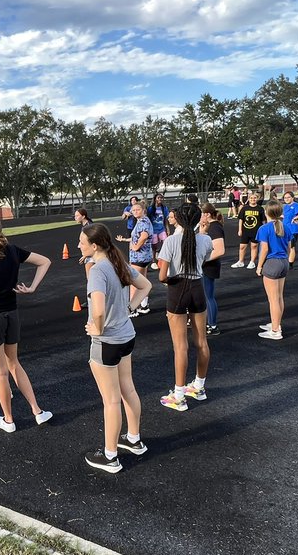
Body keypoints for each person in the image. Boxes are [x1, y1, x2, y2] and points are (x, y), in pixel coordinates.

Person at [0, 214, 53, 433]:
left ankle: (8, 420)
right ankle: (37, 411)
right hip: (12, 315)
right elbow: (45, 261)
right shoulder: (12, 251)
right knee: (14, 364)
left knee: (1, 372)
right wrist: (32, 287)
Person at [78, 223, 152, 473]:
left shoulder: (98, 271)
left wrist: (97, 328)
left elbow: (97, 310)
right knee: (127, 389)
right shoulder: (117, 262)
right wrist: (129, 309)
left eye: (82, 242)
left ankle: (110, 456)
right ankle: (134, 439)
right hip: (126, 337)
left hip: (106, 343)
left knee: (111, 401)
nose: (79, 245)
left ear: (94, 245)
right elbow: (146, 287)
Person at [157, 203, 213, 411]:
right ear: (199, 220)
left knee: (180, 346)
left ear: (178, 219)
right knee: (201, 342)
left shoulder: (170, 241)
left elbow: (162, 276)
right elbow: (205, 260)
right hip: (198, 287)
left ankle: (179, 395)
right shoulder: (206, 239)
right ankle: (199, 386)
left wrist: (170, 281)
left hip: (177, 289)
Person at [255, 202, 291, 340]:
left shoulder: (264, 228)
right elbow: (289, 248)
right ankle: (276, 324)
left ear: (267, 212)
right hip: (283, 262)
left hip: (272, 263)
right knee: (279, 297)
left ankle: (275, 331)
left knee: (273, 300)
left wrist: (259, 266)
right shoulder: (285, 227)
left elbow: (264, 249)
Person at [115, 202, 153, 315]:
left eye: (138, 209)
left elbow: (144, 236)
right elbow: (136, 237)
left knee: (134, 282)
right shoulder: (141, 221)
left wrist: (136, 247)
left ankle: (132, 309)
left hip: (139, 256)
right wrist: (125, 240)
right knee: (143, 280)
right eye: (134, 210)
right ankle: (144, 305)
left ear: (143, 210)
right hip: (145, 256)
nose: (135, 212)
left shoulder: (143, 222)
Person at [198, 203, 227, 336]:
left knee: (208, 296)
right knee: (205, 296)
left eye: (200, 215)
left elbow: (220, 250)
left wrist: (202, 260)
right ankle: (208, 322)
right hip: (206, 266)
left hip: (208, 267)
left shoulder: (215, 227)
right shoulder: (210, 226)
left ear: (207, 214)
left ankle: (213, 325)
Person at [232, 190, 265, 269]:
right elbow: (241, 220)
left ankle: (252, 262)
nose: (253, 199)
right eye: (251, 198)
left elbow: (263, 220)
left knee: (254, 246)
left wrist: (263, 230)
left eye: (254, 198)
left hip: (256, 230)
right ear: (248, 199)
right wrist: (240, 230)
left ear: (257, 199)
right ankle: (241, 261)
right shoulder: (244, 208)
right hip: (245, 230)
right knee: (242, 246)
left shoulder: (260, 209)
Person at [282, 190, 298, 267]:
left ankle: (290, 264)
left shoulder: (296, 205)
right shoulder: (285, 206)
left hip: (292, 230)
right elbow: (284, 216)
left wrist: (295, 218)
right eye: (285, 198)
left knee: (291, 247)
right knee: (286, 246)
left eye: (288, 197)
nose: (286, 199)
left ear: (292, 198)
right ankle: (287, 261)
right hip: (285, 229)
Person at [146, 193, 170, 271]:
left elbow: (165, 219)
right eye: (159, 198)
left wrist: (167, 228)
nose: (160, 199)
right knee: (154, 245)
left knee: (166, 242)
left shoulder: (164, 208)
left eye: (161, 198)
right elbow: (148, 219)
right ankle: (153, 260)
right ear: (155, 199)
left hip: (161, 229)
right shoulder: (150, 208)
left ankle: (163, 257)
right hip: (153, 230)